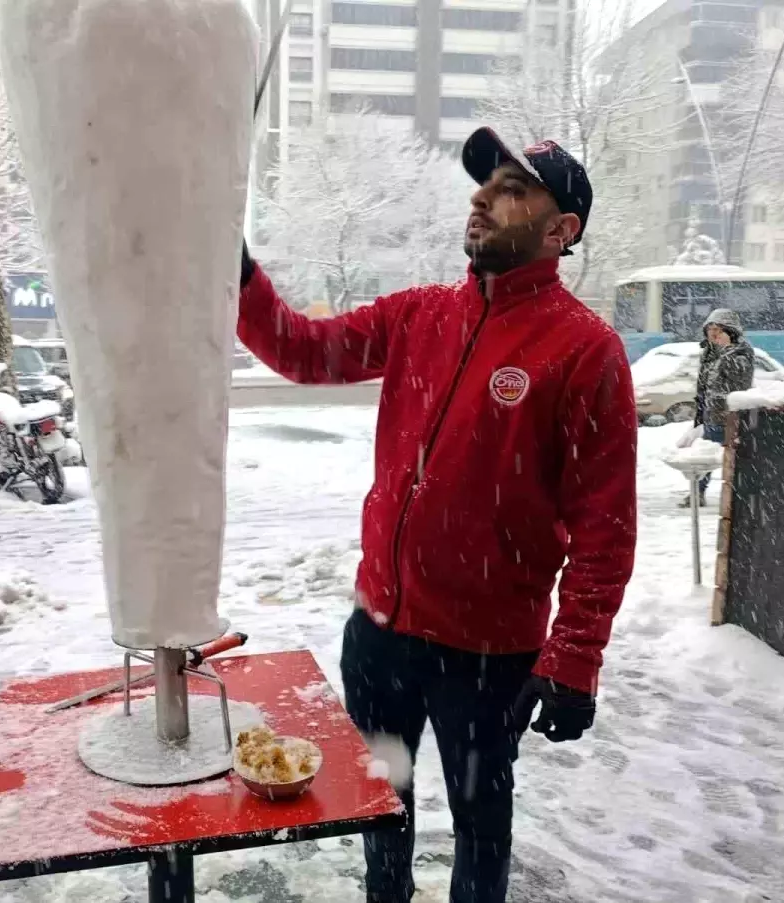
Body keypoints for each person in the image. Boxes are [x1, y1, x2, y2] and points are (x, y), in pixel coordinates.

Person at [237, 127, 638, 903]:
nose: (483, 198)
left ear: (561, 230)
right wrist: (240, 274)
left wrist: (574, 659)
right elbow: (304, 350)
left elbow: (606, 527)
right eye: (485, 184)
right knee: (382, 799)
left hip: (486, 661)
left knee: (479, 824)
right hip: (381, 638)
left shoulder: (585, 350)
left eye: (512, 189)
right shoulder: (419, 314)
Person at [682, 308, 754, 507]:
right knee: (704, 455)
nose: (713, 334)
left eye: (719, 329)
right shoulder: (709, 353)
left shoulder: (740, 353)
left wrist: (726, 351)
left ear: (731, 332)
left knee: (734, 459)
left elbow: (740, 382)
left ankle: (739, 497)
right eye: (710, 329)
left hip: (729, 416)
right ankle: (698, 493)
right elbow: (705, 385)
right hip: (709, 414)